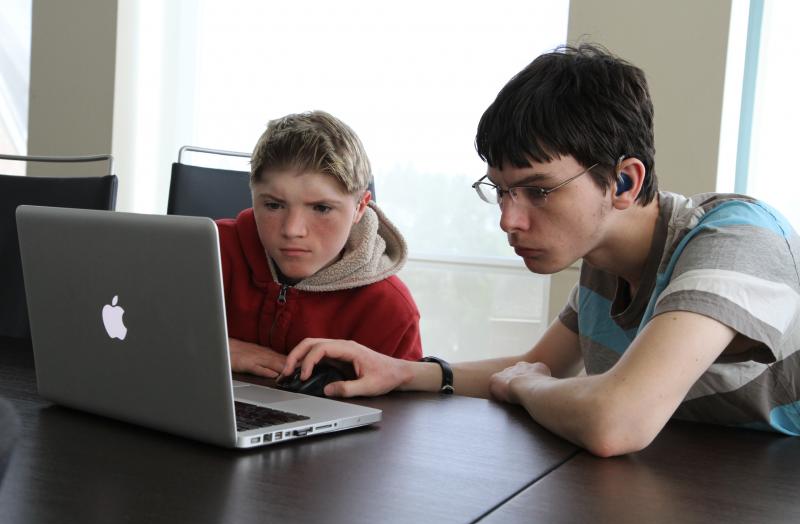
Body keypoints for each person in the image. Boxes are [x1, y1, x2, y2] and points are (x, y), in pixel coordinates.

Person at [282, 44, 800, 457]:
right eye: (501, 191)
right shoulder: (604, 261)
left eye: (539, 190)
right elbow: (538, 364)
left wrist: (526, 389)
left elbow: (614, 420)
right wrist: (401, 371)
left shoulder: (737, 239)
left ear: (623, 180)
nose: (509, 219)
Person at [217, 110, 423, 379]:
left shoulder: (390, 308)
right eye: (273, 205)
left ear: (360, 207)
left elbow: (403, 414)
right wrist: (214, 349)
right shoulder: (206, 254)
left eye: (321, 208)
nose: (292, 230)